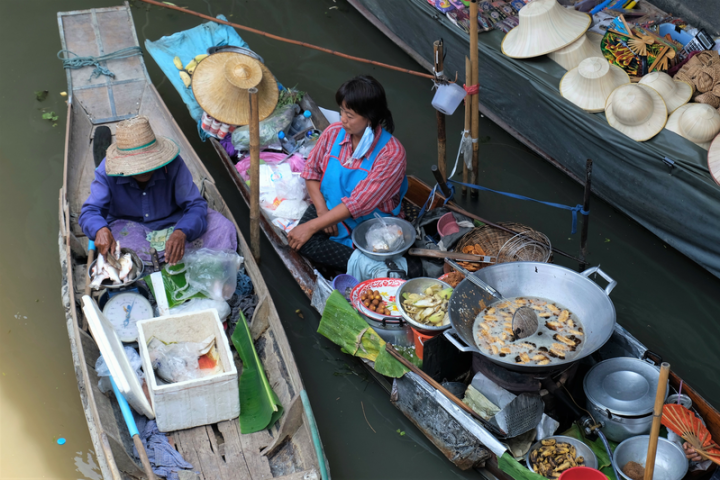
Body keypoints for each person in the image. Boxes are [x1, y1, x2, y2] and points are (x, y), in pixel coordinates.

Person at [79, 116, 237, 265]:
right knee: (119, 255)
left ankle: (170, 259)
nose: (144, 171)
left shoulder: (173, 164)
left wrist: (182, 232)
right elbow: (90, 211)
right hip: (128, 227)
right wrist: (100, 229)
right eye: (137, 167)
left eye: (149, 164)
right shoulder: (106, 170)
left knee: (223, 228)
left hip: (174, 221)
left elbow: (195, 204)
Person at [287, 75, 408, 271]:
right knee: (298, 240)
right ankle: (360, 265)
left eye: (350, 116)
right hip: (329, 207)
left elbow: (358, 204)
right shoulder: (334, 132)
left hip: (372, 224)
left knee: (307, 241)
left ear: (370, 117)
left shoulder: (391, 153)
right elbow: (311, 173)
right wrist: (321, 212)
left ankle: (372, 267)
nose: (342, 119)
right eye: (342, 111)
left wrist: (312, 226)